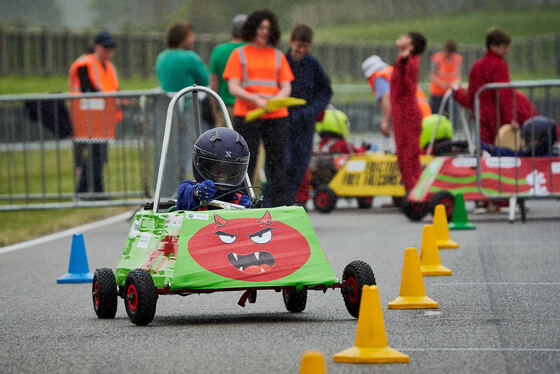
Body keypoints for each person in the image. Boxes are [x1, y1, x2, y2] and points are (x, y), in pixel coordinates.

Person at [223, 9, 294, 207]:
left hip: (276, 115)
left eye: (268, 28)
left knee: (277, 163)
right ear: (252, 28)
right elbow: (233, 86)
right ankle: (244, 204)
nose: (264, 32)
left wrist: (274, 100)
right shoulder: (240, 55)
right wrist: (256, 100)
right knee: (247, 161)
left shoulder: (278, 56)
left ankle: (280, 205)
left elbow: (286, 86)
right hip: (248, 114)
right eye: (261, 27)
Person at [284, 24, 332, 205]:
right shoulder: (282, 61)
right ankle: (282, 202)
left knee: (300, 165)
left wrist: (312, 110)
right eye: (298, 46)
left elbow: (325, 91)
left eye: (305, 47)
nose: (301, 50)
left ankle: (295, 202)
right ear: (291, 42)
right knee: (284, 163)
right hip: (284, 122)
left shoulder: (312, 64)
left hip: (305, 122)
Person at [69, 30, 121, 194]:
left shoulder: (110, 67)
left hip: (103, 118)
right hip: (86, 116)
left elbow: (115, 90)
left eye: (111, 47)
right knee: (94, 155)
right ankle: (93, 191)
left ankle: (87, 191)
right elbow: (87, 90)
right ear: (96, 46)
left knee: (98, 156)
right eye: (106, 47)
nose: (109, 51)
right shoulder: (84, 64)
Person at [155, 22, 209, 178]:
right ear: (183, 38)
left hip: (166, 110)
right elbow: (204, 79)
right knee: (190, 146)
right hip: (187, 108)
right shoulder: (190, 57)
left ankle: (169, 182)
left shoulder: (162, 57)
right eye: (190, 36)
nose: (193, 39)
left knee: (170, 147)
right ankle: (187, 181)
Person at [453, 28, 514, 145]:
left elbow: (472, 95)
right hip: (498, 116)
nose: (507, 51)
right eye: (504, 47)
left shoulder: (476, 66)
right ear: (493, 47)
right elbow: (504, 93)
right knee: (502, 155)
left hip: (479, 116)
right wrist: (510, 119)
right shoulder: (499, 65)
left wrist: (456, 92)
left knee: (485, 155)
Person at [176, 127, 252, 211]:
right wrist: (197, 193)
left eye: (228, 168)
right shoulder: (188, 189)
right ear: (205, 166)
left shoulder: (240, 200)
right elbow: (184, 197)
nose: (222, 173)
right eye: (218, 167)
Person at [389, 31, 428, 192]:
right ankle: (412, 191)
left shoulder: (409, 61)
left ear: (410, 46)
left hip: (407, 114)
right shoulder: (403, 60)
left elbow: (407, 83)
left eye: (406, 36)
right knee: (403, 157)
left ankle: (416, 192)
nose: (401, 37)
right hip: (401, 114)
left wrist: (404, 62)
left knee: (409, 156)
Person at [361, 54, 431, 138]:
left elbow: (386, 97)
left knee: (409, 147)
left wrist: (385, 122)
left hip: (409, 116)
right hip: (424, 115)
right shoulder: (393, 71)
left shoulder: (378, 76)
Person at [209, 14, 247, 127]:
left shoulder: (218, 50)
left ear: (231, 30)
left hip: (226, 109)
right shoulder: (252, 51)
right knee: (249, 143)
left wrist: (215, 109)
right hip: (249, 108)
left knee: (223, 143)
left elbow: (214, 84)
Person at [429, 39, 463, 114]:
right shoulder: (436, 58)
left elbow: (459, 76)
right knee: (437, 117)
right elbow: (432, 76)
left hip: (452, 94)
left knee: (452, 118)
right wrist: (442, 84)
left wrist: (454, 83)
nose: (449, 54)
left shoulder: (458, 59)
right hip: (437, 94)